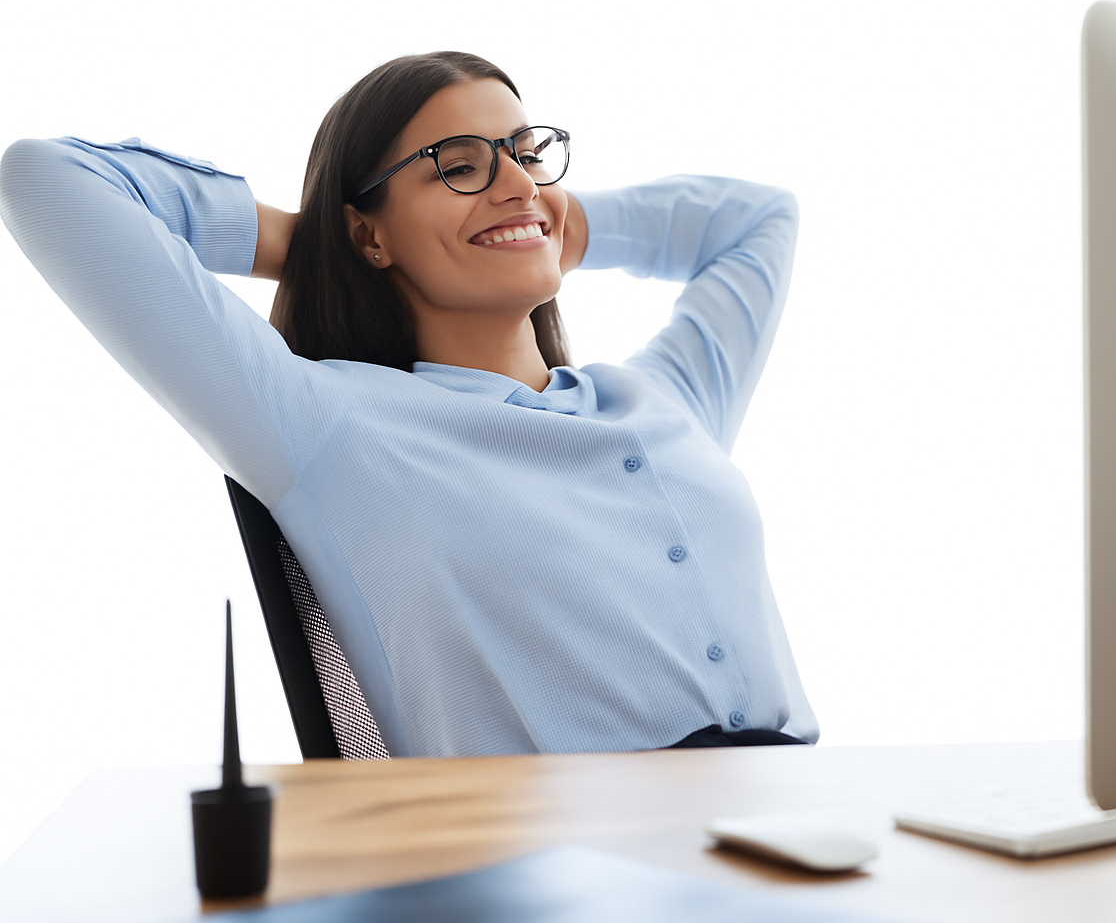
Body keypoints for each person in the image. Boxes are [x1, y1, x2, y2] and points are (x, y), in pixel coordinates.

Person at [0, 51, 817, 757]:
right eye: (459, 166)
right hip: (568, 867)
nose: (514, 182)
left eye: (529, 154)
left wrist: (545, 215)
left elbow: (759, 219)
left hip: (802, 832)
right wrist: (311, 243)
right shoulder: (329, 427)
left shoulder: (668, 397)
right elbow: (45, 178)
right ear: (369, 234)